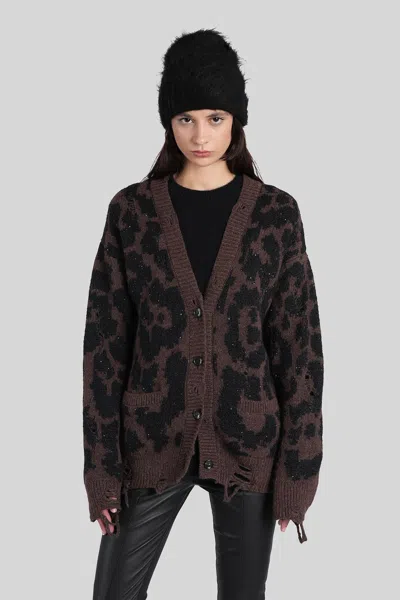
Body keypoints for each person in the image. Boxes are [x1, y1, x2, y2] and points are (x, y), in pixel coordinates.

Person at [82, 27, 324, 599]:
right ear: (168, 122)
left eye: (215, 117)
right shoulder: (132, 212)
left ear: (236, 120)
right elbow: (103, 351)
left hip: (249, 446)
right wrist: (102, 469)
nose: (200, 135)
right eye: (185, 118)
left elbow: (300, 351)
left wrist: (297, 473)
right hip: (148, 443)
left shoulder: (274, 215)